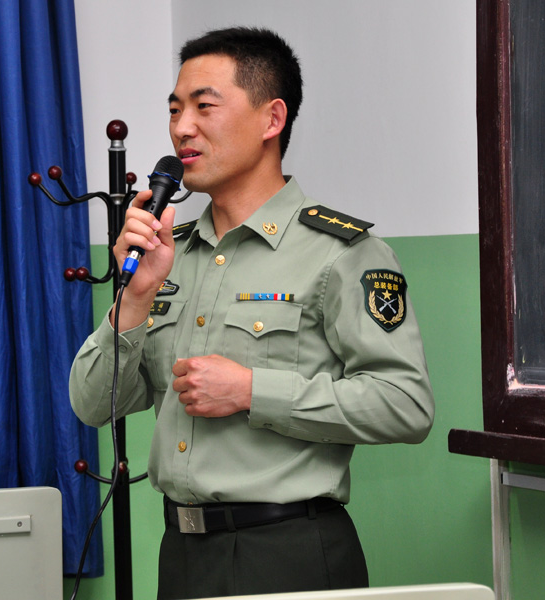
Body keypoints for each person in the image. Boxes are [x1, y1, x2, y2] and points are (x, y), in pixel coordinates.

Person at [70, 26, 435, 600]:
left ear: (272, 120)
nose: (181, 127)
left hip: (286, 553)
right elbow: (93, 405)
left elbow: (406, 405)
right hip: (181, 554)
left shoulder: (341, 252)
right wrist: (135, 297)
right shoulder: (172, 254)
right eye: (174, 109)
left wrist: (250, 390)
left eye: (203, 106)